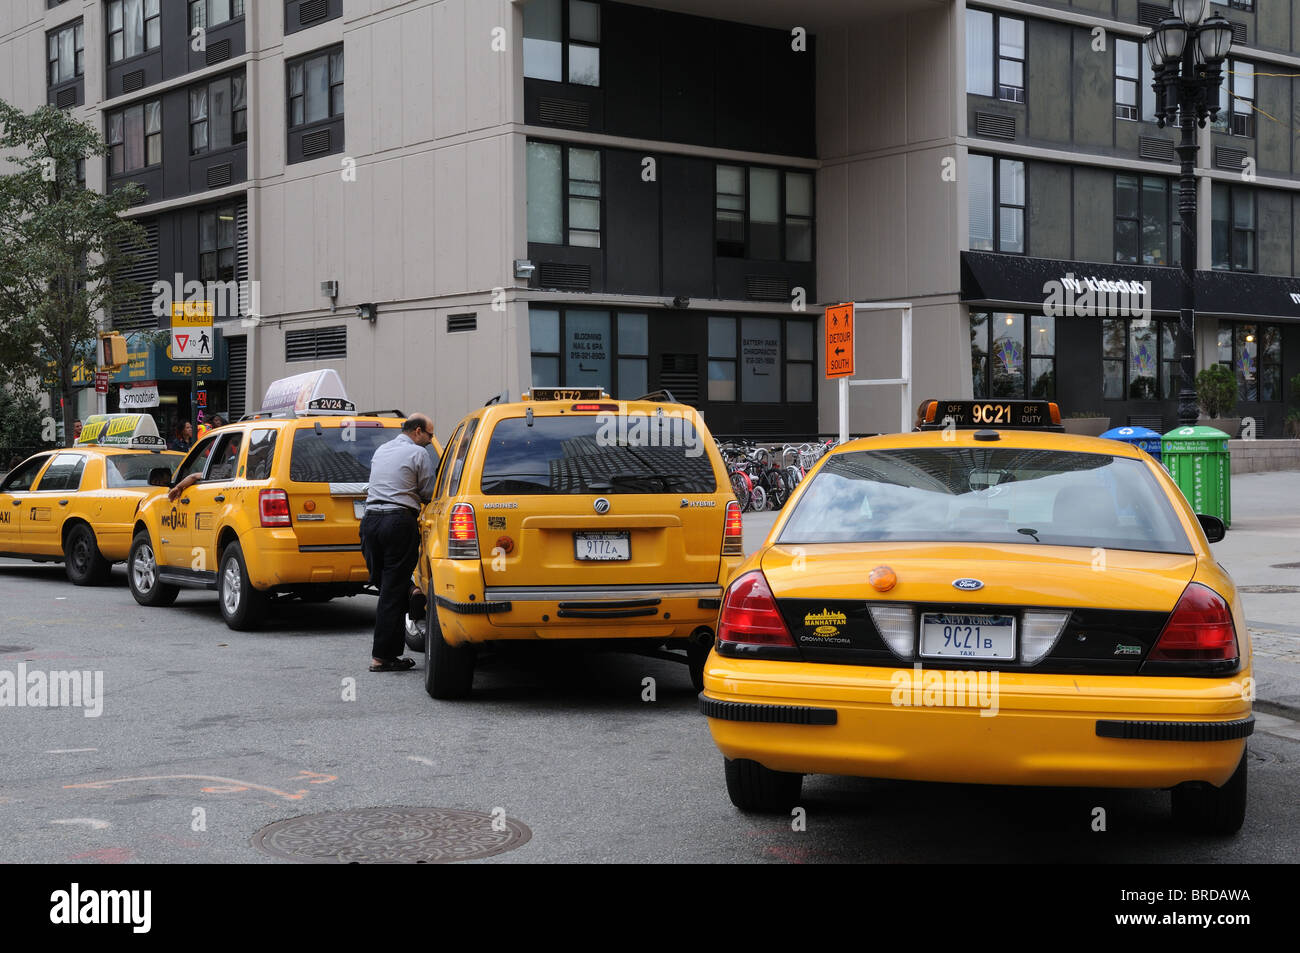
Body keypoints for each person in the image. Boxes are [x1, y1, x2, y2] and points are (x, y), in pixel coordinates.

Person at [360, 414, 437, 672]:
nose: (430, 439)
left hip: (370, 522)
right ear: (417, 431)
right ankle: (382, 657)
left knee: (386, 587)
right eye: (429, 434)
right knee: (392, 592)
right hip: (397, 522)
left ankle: (409, 590)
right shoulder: (419, 454)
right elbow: (428, 492)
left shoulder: (381, 450)